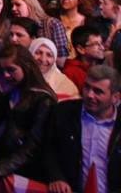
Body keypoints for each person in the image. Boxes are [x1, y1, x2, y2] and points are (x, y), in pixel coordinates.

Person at [0, 44, 56, 186]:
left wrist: (0, 170)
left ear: (27, 67)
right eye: (3, 70)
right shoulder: (9, 93)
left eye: (11, 70)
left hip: (19, 175)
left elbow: (33, 145)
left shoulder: (43, 100)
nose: (6, 75)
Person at [44, 65, 121, 193]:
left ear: (115, 97)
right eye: (87, 87)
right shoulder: (63, 112)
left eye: (98, 91)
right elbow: (48, 148)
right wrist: (56, 177)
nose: (90, 95)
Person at [64, 25, 106, 91]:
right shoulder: (70, 73)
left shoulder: (103, 67)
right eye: (96, 44)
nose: (102, 48)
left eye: (101, 43)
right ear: (81, 49)